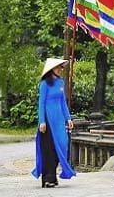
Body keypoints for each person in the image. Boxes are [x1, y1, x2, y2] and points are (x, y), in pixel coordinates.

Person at [32, 57, 76, 188]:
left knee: (62, 145)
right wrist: (42, 121)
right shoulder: (45, 84)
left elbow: (63, 102)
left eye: (61, 67)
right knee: (49, 149)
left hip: (59, 120)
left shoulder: (60, 83)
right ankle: (48, 178)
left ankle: (53, 175)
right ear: (51, 69)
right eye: (58, 67)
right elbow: (41, 104)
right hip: (48, 120)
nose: (60, 70)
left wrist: (68, 118)